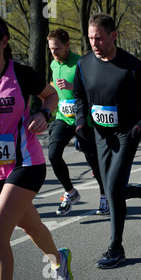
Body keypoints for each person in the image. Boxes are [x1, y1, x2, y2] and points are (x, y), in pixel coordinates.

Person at [0, 14, 72, 280]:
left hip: (26, 164)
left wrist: (44, 113)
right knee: (30, 226)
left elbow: (51, 94)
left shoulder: (21, 74)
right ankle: (58, 260)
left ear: (4, 41)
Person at [74, 13, 141, 269]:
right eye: (91, 38)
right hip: (100, 134)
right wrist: (80, 122)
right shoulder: (83, 64)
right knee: (110, 187)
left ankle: (116, 247)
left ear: (113, 35)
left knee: (113, 187)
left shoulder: (132, 66)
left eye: (100, 38)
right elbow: (79, 96)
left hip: (127, 133)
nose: (94, 43)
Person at [47, 28, 107, 215]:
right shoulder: (53, 65)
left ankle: (105, 197)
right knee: (53, 154)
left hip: (84, 119)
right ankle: (70, 192)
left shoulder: (82, 63)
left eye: (57, 48)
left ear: (67, 45)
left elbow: (95, 89)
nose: (54, 53)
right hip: (63, 118)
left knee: (94, 161)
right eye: (51, 49)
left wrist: (73, 87)